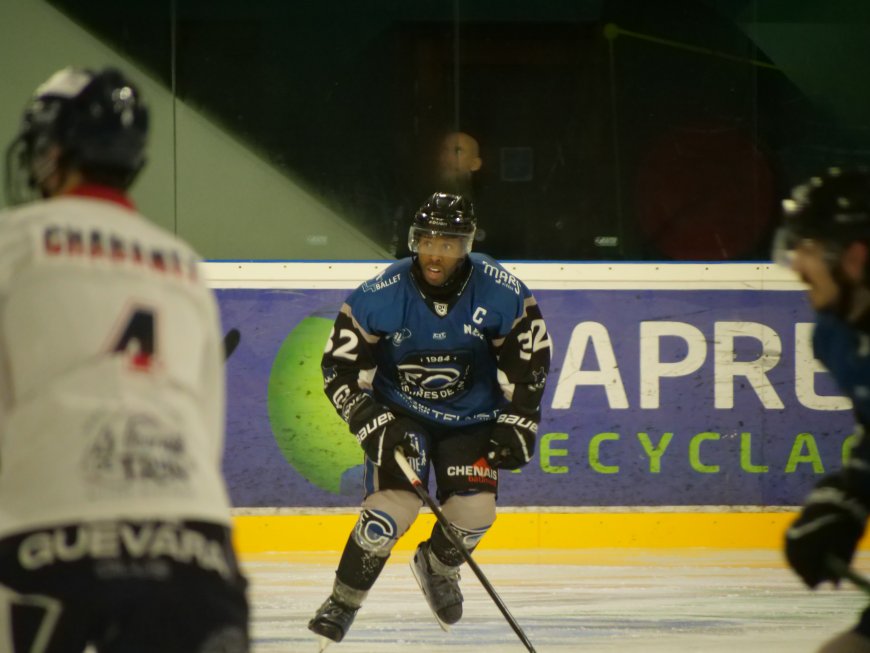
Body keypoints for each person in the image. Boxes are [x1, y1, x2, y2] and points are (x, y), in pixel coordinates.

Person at [0, 67, 249, 652]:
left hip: (46, 537)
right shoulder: (183, 264)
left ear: (49, 152)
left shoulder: (14, 243)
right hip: (196, 547)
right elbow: (204, 432)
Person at [308, 192, 551, 645]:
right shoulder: (380, 294)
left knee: (476, 511)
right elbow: (337, 368)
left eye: (450, 244)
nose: (436, 254)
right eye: (427, 241)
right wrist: (369, 419)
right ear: (413, 241)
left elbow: (530, 361)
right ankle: (342, 602)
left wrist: (520, 419)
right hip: (402, 416)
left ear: (468, 245)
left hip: (473, 417)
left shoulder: (501, 289)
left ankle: (437, 567)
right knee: (390, 512)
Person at [777, 167, 870, 653]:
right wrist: (846, 499)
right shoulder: (837, 336)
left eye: (807, 248)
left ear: (854, 258)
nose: (796, 265)